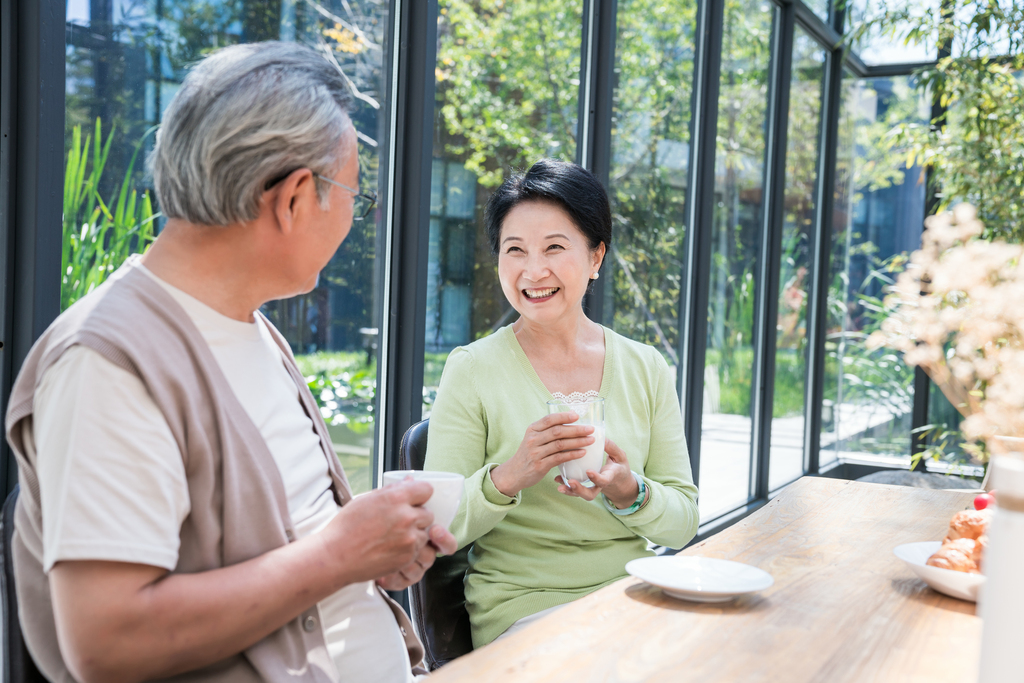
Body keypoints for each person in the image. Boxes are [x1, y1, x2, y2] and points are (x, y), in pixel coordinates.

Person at [5, 42, 456, 683]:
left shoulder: (250, 328)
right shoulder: (106, 364)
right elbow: (106, 642)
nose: (357, 217)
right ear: (296, 197)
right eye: (356, 193)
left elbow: (287, 550)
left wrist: (371, 554)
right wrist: (338, 553)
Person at [423, 159, 700, 647]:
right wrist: (509, 476)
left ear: (595, 257)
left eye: (555, 247)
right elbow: (436, 525)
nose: (534, 270)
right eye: (515, 250)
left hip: (633, 596)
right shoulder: (472, 369)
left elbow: (682, 523)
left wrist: (629, 490)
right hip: (525, 607)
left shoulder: (646, 367)